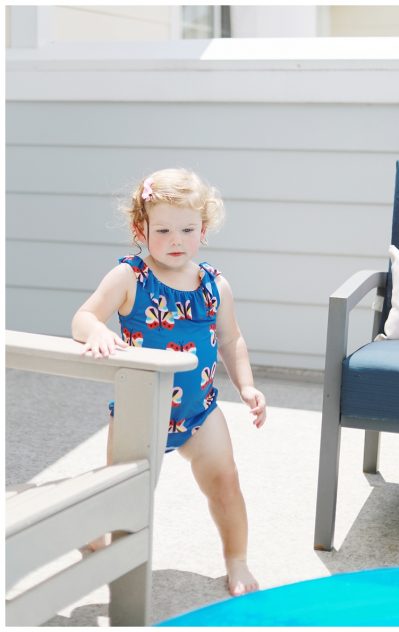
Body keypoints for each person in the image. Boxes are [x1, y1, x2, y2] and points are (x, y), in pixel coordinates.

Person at [72, 167, 267, 596]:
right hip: (141, 410)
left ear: (203, 230)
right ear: (139, 229)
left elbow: (231, 340)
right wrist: (97, 330)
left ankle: (236, 560)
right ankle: (99, 540)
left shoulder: (215, 285)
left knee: (225, 482)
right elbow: (82, 318)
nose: (176, 240)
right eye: (162, 230)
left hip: (200, 411)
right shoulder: (129, 278)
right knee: (125, 495)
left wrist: (247, 386)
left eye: (187, 229)